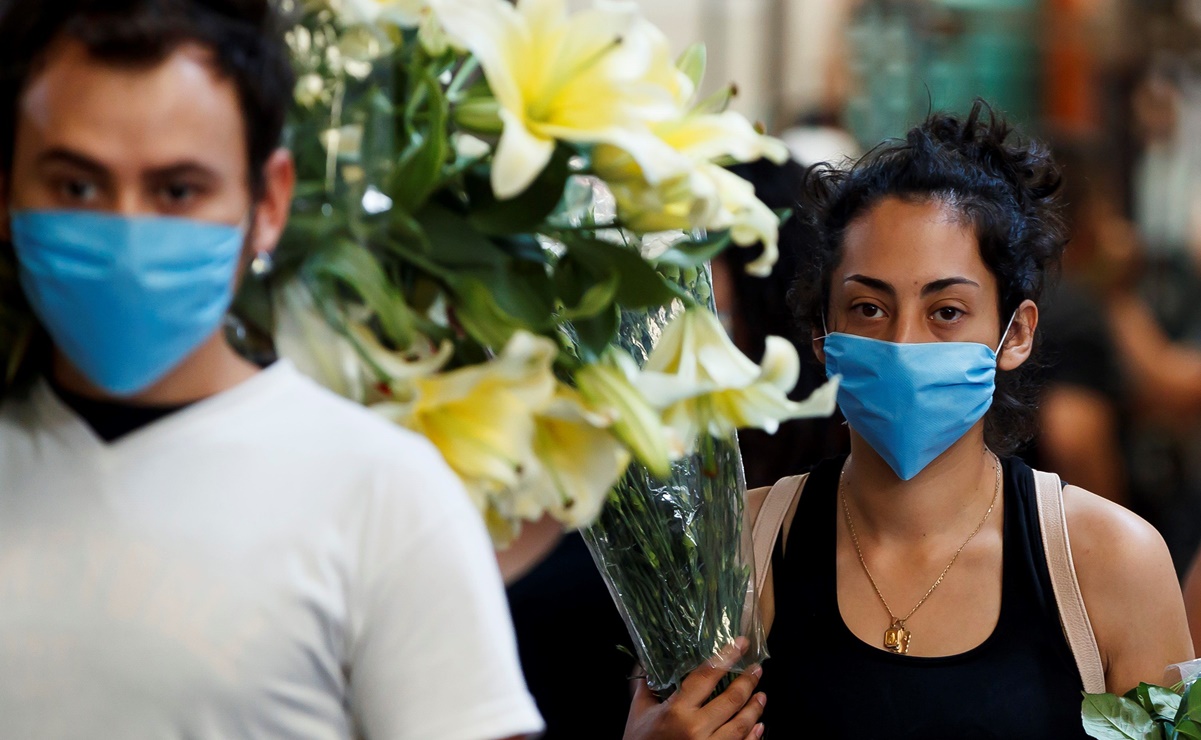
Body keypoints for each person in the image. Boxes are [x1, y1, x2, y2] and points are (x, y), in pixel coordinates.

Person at [0, 1, 543, 738]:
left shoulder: (384, 497)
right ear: (6, 194)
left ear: (268, 202)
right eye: (75, 187)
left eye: (178, 190)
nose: (127, 229)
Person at [624, 103, 1192, 739]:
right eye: (868, 307)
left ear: (1016, 334)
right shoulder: (736, 556)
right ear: (822, 335)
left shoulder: (1111, 565)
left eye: (947, 311)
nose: (903, 343)